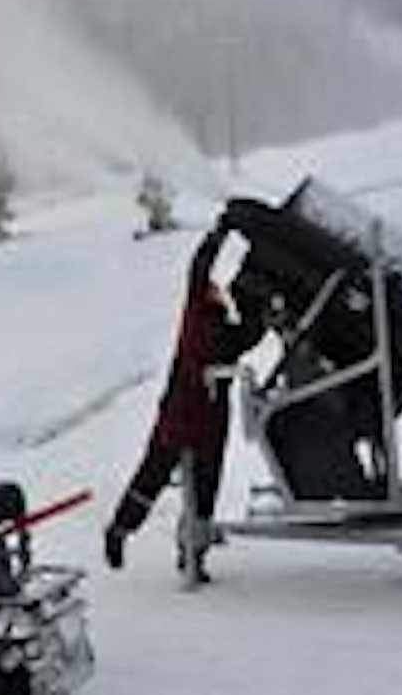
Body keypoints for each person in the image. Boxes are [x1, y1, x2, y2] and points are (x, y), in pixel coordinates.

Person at [104, 211, 268, 579]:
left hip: (210, 421)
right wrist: (219, 234)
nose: (216, 288)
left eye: (221, 289)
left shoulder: (232, 332)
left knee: (205, 492)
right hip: (180, 413)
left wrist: (264, 307)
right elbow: (199, 267)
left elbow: (254, 331)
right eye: (214, 286)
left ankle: (192, 554)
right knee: (152, 476)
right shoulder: (195, 310)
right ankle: (118, 532)